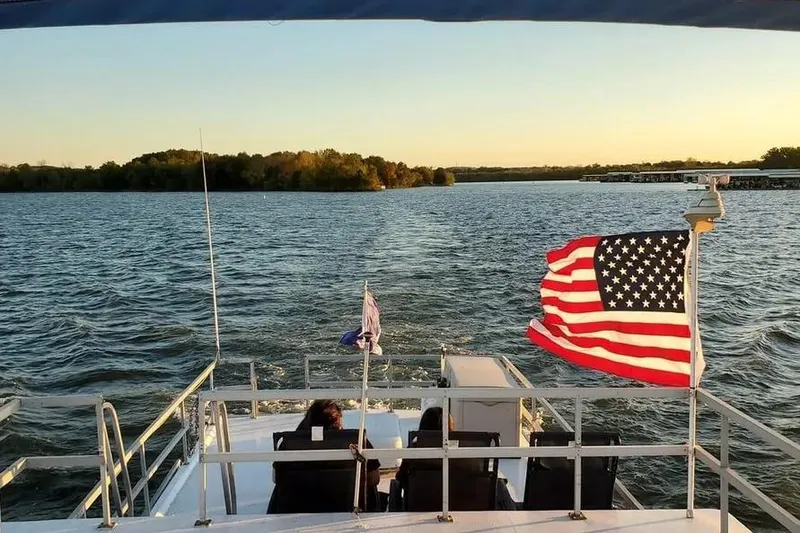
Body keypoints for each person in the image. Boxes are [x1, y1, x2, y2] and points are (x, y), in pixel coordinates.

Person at [292, 400, 382, 508]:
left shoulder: (290, 444)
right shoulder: (356, 442)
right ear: (338, 423)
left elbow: (279, 479)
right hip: (348, 507)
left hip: (300, 507)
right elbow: (374, 479)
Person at [394, 406, 454, 487]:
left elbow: (401, 477)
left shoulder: (415, 448)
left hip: (420, 498)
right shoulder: (456, 450)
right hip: (453, 498)